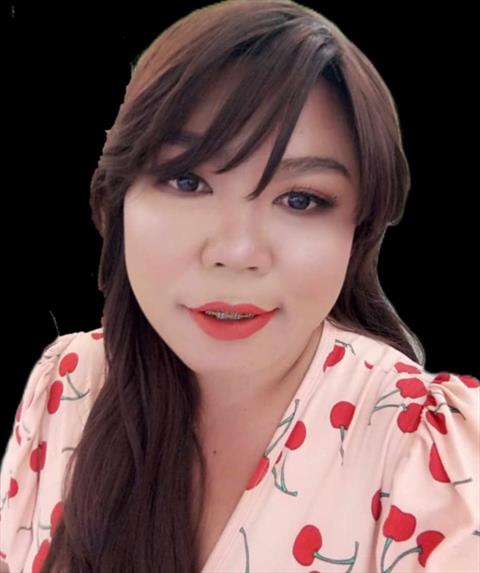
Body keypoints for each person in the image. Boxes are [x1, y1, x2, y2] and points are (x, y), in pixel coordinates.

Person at [1, 1, 478, 571]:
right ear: (120, 194)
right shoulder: (68, 385)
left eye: (300, 199)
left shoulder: (427, 451)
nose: (236, 251)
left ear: (359, 230)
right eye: (187, 180)